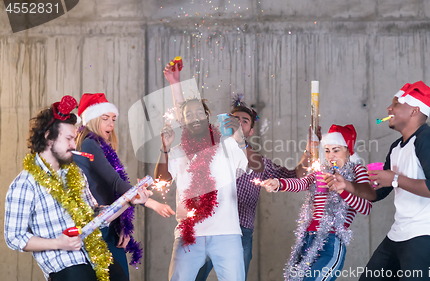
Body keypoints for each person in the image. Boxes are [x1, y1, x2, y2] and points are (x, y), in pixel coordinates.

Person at [4, 96, 150, 281]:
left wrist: (129, 200)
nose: (74, 145)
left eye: (74, 138)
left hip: (96, 255)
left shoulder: (76, 174)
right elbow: (14, 237)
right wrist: (58, 243)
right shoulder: (25, 184)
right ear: (49, 137)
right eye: (69, 139)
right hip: (65, 265)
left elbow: (95, 216)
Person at [333, 81, 430, 280]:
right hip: (400, 233)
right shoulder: (396, 147)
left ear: (414, 110)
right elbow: (377, 193)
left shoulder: (429, 139)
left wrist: (395, 178)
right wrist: (346, 185)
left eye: (396, 104)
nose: (388, 108)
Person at [155, 62, 264, 281]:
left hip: (227, 234)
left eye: (199, 113)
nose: (195, 117)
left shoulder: (226, 143)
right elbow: (161, 180)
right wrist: (164, 149)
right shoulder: (177, 151)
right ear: (183, 121)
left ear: (207, 117)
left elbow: (252, 166)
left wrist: (238, 136)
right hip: (189, 234)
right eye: (188, 115)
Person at [195, 96, 317, 281]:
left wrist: (309, 150)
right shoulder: (209, 153)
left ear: (250, 131)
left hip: (240, 231)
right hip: (209, 228)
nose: (238, 123)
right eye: (234, 119)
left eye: (244, 121)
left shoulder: (259, 163)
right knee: (194, 276)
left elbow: (295, 176)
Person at [74, 93, 175, 280]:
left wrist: (122, 225)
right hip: (95, 225)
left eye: (113, 119)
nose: (111, 124)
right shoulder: (89, 144)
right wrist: (153, 204)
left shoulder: (101, 146)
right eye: (105, 119)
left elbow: (112, 191)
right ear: (92, 120)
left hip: (109, 223)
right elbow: (116, 183)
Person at [260, 124, 372, 281]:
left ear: (348, 150)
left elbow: (366, 207)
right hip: (307, 240)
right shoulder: (321, 171)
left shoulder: (356, 171)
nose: (331, 155)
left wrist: (342, 189)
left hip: (331, 241)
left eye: (336, 150)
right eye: (327, 150)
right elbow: (301, 183)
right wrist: (278, 184)